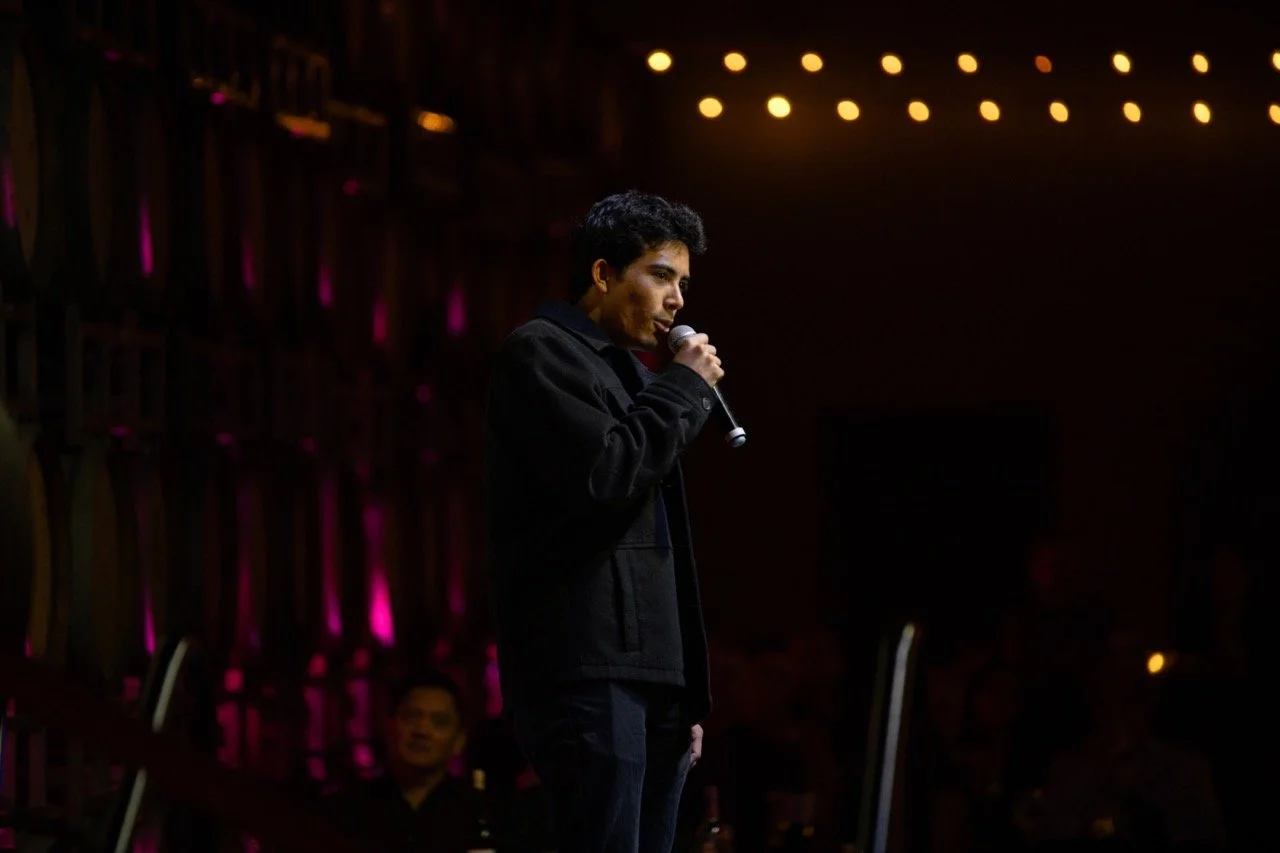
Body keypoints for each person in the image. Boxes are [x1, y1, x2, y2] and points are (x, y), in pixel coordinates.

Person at [484, 190, 724, 853]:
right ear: (602, 272)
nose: (677, 299)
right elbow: (603, 476)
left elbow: (657, 551)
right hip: (588, 676)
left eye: (683, 282)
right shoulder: (541, 353)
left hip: (645, 681)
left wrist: (681, 691)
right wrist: (682, 389)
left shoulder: (624, 373)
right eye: (661, 274)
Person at [327, 669, 480, 853]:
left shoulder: (480, 814)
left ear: (459, 740)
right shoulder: (345, 811)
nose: (422, 731)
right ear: (388, 726)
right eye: (411, 717)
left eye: (439, 721)